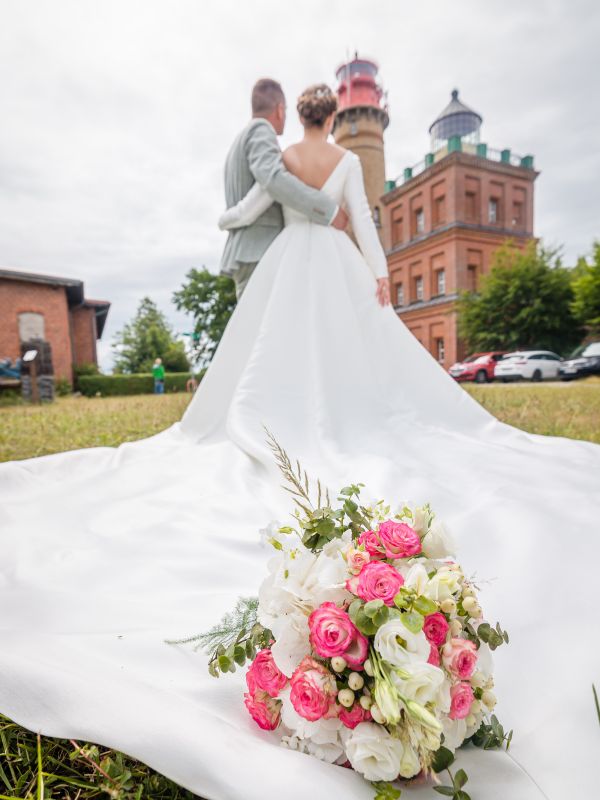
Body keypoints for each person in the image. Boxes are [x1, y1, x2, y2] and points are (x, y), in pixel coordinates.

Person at [0, 82, 598, 800]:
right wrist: (378, 275)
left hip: (286, 265)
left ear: (299, 114)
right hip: (333, 263)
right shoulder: (345, 159)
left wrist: (227, 215)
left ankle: (295, 423)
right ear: (337, 115)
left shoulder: (281, 155)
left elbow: (252, 206)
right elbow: (366, 227)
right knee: (346, 359)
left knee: (275, 360)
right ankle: (344, 419)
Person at [220, 78, 349, 300]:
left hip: (247, 253)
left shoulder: (237, 143)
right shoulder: (261, 130)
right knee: (267, 332)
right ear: (280, 110)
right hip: (260, 252)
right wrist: (328, 210)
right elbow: (273, 179)